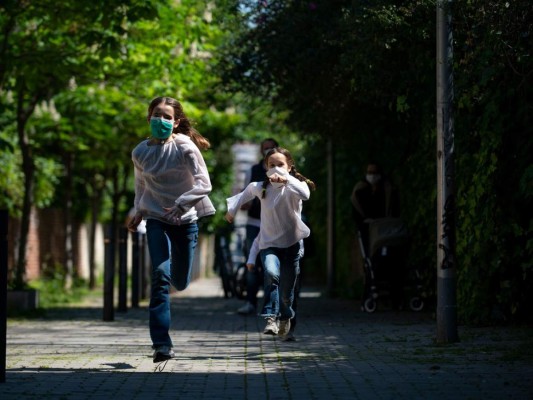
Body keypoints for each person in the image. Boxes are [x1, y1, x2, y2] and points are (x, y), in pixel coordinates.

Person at [128, 96, 215, 363]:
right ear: (148, 118)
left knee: (179, 281)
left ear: (176, 122)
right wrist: (138, 211)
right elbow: (141, 185)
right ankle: (162, 344)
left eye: (167, 116)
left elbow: (204, 184)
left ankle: (179, 280)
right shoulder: (140, 152)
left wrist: (181, 204)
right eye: (157, 114)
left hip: (185, 221)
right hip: (156, 219)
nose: (161, 120)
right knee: (159, 275)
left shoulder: (185, 147)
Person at [226, 147, 316, 338]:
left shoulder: (294, 186)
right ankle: (270, 317)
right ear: (266, 168)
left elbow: (306, 194)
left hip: (292, 244)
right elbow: (245, 193)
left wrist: (287, 179)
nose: (276, 168)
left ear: (290, 166)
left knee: (287, 290)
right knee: (271, 273)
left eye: (280, 165)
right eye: (271, 165)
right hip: (269, 245)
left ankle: (286, 317)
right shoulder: (260, 188)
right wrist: (231, 212)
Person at [350, 162, 404, 308]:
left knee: (391, 260)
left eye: (374, 172)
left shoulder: (388, 189)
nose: (372, 176)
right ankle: (371, 292)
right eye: (369, 172)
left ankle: (394, 297)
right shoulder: (360, 191)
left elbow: (394, 210)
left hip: (385, 232)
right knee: (371, 261)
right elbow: (357, 213)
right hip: (368, 232)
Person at [237, 138, 279, 315]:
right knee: (252, 263)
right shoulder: (253, 171)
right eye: (265, 148)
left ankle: (271, 305)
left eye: (271, 148)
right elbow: (244, 196)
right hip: (254, 224)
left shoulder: (283, 172)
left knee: (273, 266)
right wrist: (244, 204)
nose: (268, 150)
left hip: (276, 225)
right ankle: (251, 302)